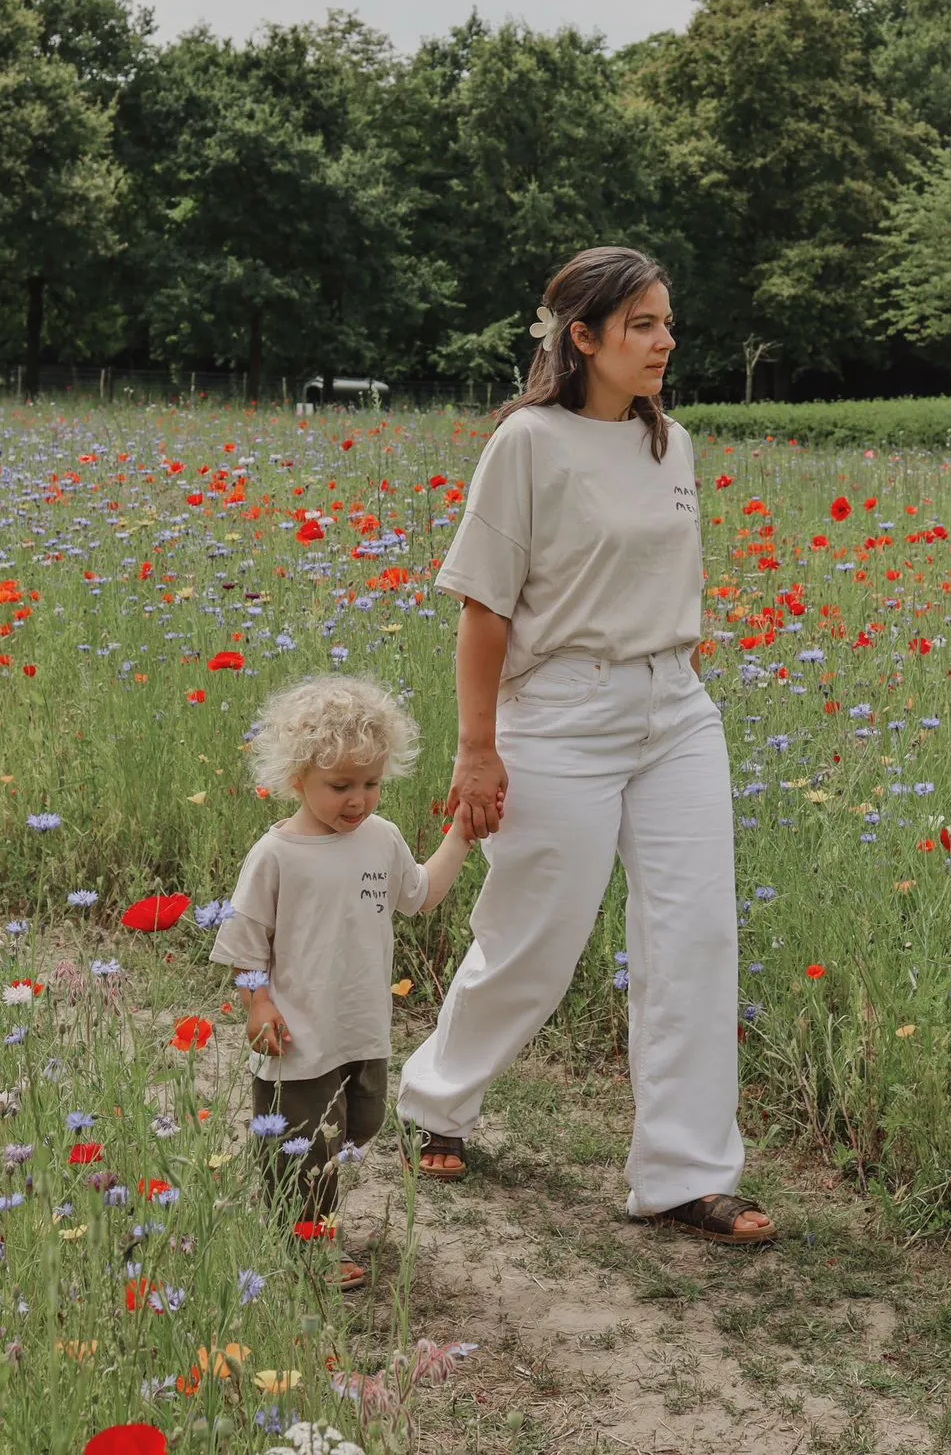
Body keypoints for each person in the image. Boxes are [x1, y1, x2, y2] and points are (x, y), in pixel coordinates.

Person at [397, 246, 775, 1245]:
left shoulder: (673, 444)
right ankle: (434, 1098)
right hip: (560, 710)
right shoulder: (527, 443)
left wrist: (672, 670)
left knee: (694, 934)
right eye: (642, 324)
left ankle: (684, 1175)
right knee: (534, 938)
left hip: (674, 707)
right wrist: (478, 748)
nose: (664, 339)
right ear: (584, 337)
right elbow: (484, 607)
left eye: (666, 321)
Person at [211, 674, 474, 1287]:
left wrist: (460, 835)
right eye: (340, 786)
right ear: (296, 779)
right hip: (298, 1033)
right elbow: (244, 942)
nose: (358, 800)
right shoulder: (275, 856)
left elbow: (421, 895)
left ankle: (294, 1213)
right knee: (306, 1144)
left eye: (371, 784)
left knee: (362, 1122)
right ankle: (307, 1243)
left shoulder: (380, 839)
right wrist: (258, 1004)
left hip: (360, 1026)